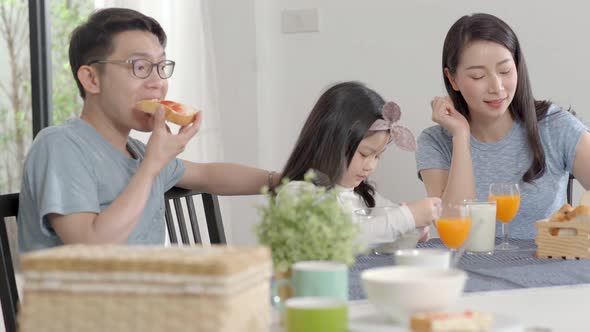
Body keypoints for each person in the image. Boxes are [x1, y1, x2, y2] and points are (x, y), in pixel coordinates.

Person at [18, 8, 279, 252]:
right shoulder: (60, 146)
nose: (158, 83)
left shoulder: (138, 153)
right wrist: (152, 165)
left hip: (148, 297)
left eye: (161, 67)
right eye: (140, 67)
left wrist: (280, 181)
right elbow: (92, 246)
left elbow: (207, 174)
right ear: (92, 79)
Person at [416, 13, 590, 239]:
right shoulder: (435, 141)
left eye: (505, 71)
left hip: (547, 267)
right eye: (478, 76)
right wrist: (461, 135)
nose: (496, 87)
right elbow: (453, 227)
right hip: (466, 270)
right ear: (453, 79)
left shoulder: (554, 126)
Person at [280, 81, 441, 246]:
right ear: (330, 143)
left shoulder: (366, 197)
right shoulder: (298, 194)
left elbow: (385, 228)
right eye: (364, 154)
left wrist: (415, 227)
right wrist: (407, 217)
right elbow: (342, 238)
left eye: (377, 156)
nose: (370, 166)